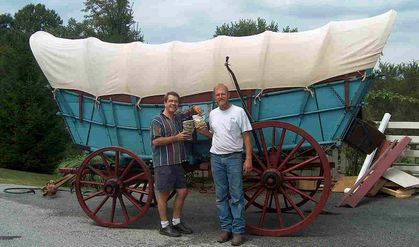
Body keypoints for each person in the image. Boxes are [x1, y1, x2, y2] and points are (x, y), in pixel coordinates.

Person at [197, 83, 252, 246]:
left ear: (229, 95)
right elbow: (213, 135)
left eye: (223, 94)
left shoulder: (238, 112)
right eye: (217, 95)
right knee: (221, 196)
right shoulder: (213, 114)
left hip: (234, 157)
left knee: (236, 196)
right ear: (215, 97)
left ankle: (238, 231)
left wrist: (248, 158)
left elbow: (246, 137)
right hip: (216, 157)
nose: (220, 97)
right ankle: (225, 229)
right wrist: (202, 131)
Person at [150, 91, 202, 237]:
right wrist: (176, 137)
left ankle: (177, 222)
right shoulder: (156, 120)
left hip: (177, 161)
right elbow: (156, 141)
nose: (173, 104)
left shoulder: (177, 117)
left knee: (182, 191)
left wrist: (195, 108)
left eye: (176, 102)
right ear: (165, 103)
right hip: (163, 162)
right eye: (171, 101)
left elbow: (188, 111)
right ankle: (164, 226)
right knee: (163, 195)